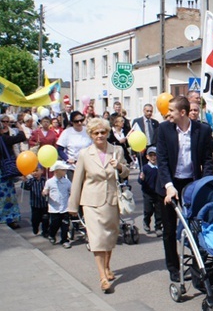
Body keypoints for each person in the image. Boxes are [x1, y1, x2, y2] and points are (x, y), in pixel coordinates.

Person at [155, 96, 213, 283]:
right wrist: (169, 186)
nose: (168, 114)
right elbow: (162, 160)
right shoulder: (164, 129)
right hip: (169, 184)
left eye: (171, 110)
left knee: (195, 226)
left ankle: (199, 263)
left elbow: (207, 160)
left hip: (191, 183)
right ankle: (174, 267)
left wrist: (204, 185)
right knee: (170, 229)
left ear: (182, 112)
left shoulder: (202, 130)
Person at [68, 118, 130, 293]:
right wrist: (73, 206)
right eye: (96, 133)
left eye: (103, 132)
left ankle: (108, 266)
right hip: (91, 202)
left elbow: (126, 172)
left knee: (110, 237)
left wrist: (118, 166)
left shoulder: (116, 150)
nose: (100, 135)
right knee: (97, 239)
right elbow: (77, 181)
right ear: (91, 135)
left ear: (107, 133)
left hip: (111, 200)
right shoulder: (85, 154)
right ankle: (102, 277)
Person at [56, 111, 92, 180]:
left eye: (81, 120)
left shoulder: (87, 131)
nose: (79, 123)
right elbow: (60, 149)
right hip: (72, 167)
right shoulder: (67, 132)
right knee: (75, 188)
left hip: (87, 165)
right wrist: (67, 159)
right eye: (77, 121)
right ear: (72, 122)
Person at [44, 161, 72, 248]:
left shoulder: (67, 182)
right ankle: (51, 234)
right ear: (56, 171)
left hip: (65, 207)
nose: (65, 172)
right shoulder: (50, 182)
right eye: (63, 170)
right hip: (54, 208)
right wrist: (45, 192)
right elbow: (45, 190)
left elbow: (71, 191)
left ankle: (64, 240)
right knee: (55, 224)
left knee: (65, 225)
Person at [139, 147, 162, 236]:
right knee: (148, 210)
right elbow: (140, 181)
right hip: (147, 193)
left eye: (155, 155)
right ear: (147, 157)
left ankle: (158, 227)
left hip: (158, 192)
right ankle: (146, 221)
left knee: (159, 211)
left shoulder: (160, 167)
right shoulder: (145, 168)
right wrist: (142, 178)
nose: (153, 157)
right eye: (151, 155)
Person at [22, 166, 49, 237]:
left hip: (44, 204)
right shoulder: (31, 181)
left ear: (42, 171)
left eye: (37, 170)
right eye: (33, 171)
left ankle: (45, 231)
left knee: (45, 219)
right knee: (35, 219)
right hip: (35, 204)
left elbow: (50, 188)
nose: (35, 173)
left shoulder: (45, 180)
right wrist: (24, 181)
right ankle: (35, 227)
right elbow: (25, 187)